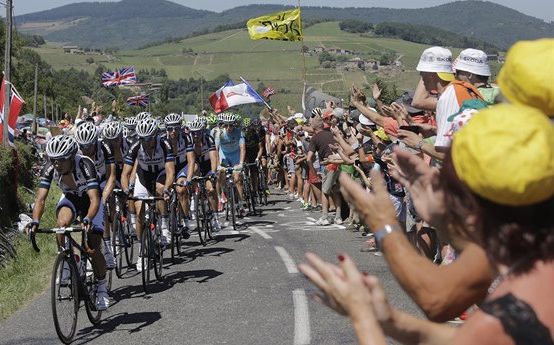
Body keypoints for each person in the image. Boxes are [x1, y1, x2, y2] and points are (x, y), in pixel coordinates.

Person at [299, 103, 554, 344]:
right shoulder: (532, 250)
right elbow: (454, 327)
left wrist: (362, 314)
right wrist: (388, 319)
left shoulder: (508, 313)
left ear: (472, 210)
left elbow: (457, 318)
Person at [28, 135, 110, 310]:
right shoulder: (50, 168)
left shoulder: (85, 164)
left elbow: (95, 199)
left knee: (92, 247)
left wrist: (88, 219)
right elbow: (41, 199)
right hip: (71, 198)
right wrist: (35, 221)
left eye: (61, 160)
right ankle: (67, 261)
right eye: (53, 160)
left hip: (90, 202)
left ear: (71, 157)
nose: (57, 164)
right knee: (61, 225)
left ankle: (102, 287)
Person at [121, 118, 175, 271]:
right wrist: (126, 190)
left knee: (159, 189)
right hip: (143, 177)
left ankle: (164, 226)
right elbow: (125, 174)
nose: (146, 142)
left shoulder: (164, 144)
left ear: (155, 136)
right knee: (139, 211)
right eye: (142, 139)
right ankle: (141, 252)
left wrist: (167, 189)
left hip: (160, 174)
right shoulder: (135, 146)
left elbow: (171, 172)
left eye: (149, 139)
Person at [75, 121, 117, 270]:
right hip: (86, 183)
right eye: (82, 146)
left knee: (103, 208)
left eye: (89, 146)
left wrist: (104, 199)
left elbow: (112, 176)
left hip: (102, 179)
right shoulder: (76, 150)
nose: (86, 150)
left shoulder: (105, 146)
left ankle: (107, 248)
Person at [163, 113, 195, 240]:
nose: (173, 131)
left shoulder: (186, 138)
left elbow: (191, 160)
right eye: (170, 128)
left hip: (182, 166)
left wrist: (188, 179)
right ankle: (164, 223)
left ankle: (186, 220)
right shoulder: (162, 140)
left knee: (181, 190)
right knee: (162, 192)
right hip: (167, 168)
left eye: (176, 128)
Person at [188, 117, 221, 232]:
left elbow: (213, 157)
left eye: (198, 132)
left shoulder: (208, 139)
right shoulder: (189, 140)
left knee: (211, 190)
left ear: (202, 131)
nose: (195, 135)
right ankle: (192, 196)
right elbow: (191, 161)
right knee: (194, 169)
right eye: (193, 133)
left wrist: (213, 172)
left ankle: (216, 218)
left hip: (207, 165)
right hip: (196, 164)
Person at [215, 112, 247, 217]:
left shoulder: (239, 132)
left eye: (231, 125)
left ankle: (241, 205)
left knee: (237, 178)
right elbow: (215, 150)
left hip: (235, 155)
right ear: (223, 125)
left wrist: (241, 163)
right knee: (220, 174)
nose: (229, 127)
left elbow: (242, 148)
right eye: (226, 125)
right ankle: (222, 196)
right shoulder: (220, 134)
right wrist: (217, 165)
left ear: (234, 124)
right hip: (224, 155)